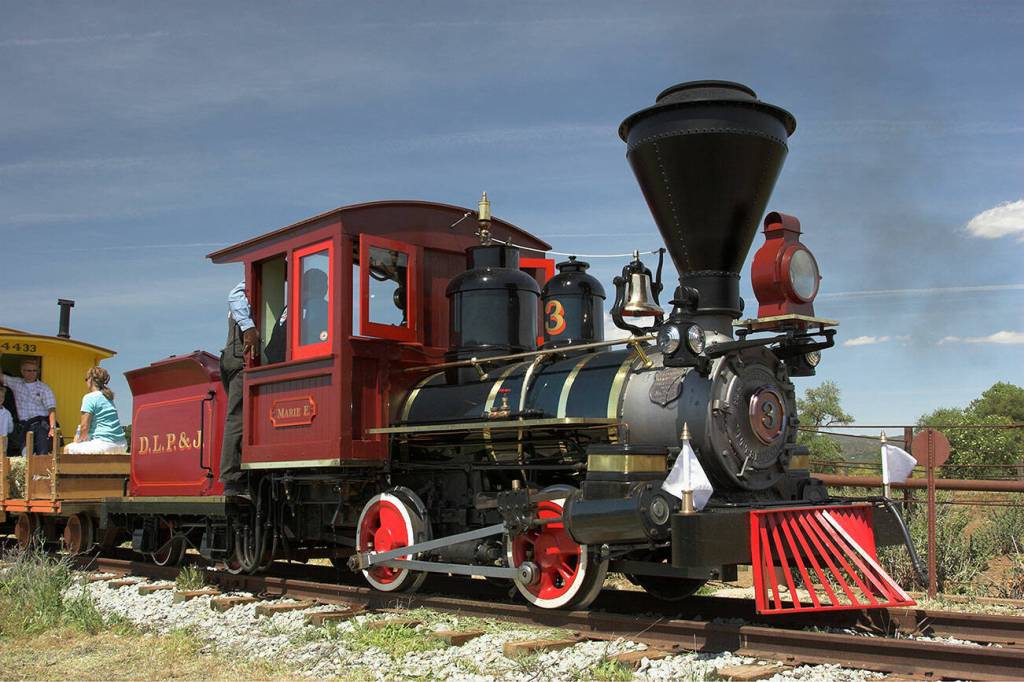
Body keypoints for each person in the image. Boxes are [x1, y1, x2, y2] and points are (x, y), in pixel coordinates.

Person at [221, 280, 259, 498]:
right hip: (240, 357)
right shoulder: (245, 287)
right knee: (238, 416)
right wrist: (249, 327)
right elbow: (235, 294)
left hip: (237, 356)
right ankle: (233, 481)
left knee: (244, 417)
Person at [64, 367, 127, 454]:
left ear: (91, 380)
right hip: (121, 444)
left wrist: (76, 442)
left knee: (68, 449)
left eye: (86, 379)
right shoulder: (108, 397)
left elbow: (84, 427)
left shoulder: (90, 397)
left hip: (104, 444)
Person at [1, 357, 57, 454]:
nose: (32, 373)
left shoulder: (44, 388)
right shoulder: (16, 383)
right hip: (24, 425)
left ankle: (41, 469)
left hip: (40, 425)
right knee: (25, 453)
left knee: (42, 454)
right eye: (28, 370)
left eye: (34, 370)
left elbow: (51, 408)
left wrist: (52, 428)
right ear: (22, 371)